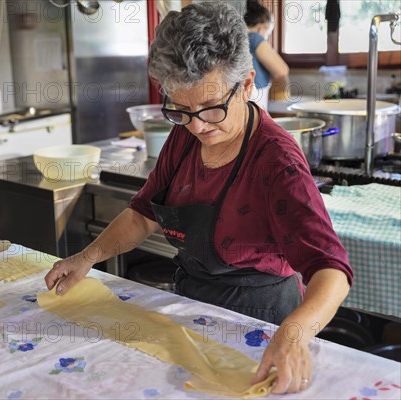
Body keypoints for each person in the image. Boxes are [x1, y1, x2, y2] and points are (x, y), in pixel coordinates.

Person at [45, 2, 352, 395]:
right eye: (181, 110)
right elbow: (142, 215)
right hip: (192, 308)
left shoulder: (277, 160)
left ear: (244, 85)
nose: (197, 126)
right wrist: (87, 257)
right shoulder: (184, 136)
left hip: (261, 324)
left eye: (211, 109)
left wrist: (294, 335)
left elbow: (332, 270)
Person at [244, 0, 289, 110]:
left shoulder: (237, 38)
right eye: (268, 32)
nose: (266, 37)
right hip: (255, 106)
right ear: (262, 26)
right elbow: (282, 70)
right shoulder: (254, 37)